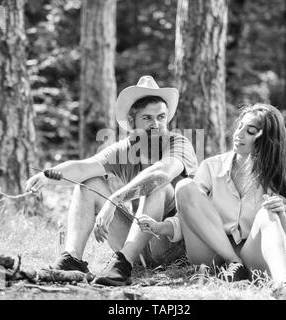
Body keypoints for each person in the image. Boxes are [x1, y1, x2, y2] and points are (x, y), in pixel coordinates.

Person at [25, 76, 198, 286]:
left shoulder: (178, 142)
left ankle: (122, 264)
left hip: (174, 243)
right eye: (148, 118)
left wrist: (114, 199)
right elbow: (83, 167)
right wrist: (47, 176)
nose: (156, 124)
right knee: (89, 183)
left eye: (161, 117)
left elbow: (161, 174)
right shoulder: (126, 149)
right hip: (141, 245)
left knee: (157, 186)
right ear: (132, 123)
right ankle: (72, 259)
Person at [138, 104, 286, 300]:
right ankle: (233, 262)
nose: (238, 134)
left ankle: (283, 287)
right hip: (212, 253)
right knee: (184, 187)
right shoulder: (211, 166)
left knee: (268, 213)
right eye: (240, 126)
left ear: (266, 140)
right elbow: (190, 214)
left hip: (252, 256)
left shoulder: (273, 179)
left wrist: (282, 215)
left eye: (249, 131)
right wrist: (160, 227)